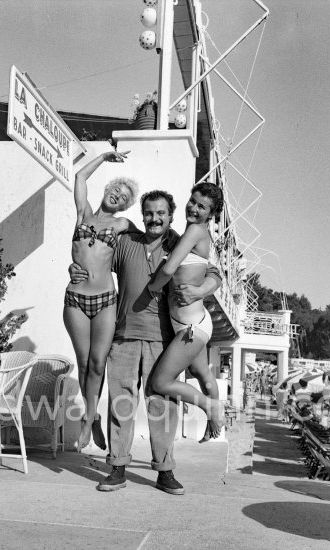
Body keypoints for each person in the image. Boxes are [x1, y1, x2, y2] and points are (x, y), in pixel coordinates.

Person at [69, 189, 221, 495]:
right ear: (143, 215)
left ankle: (165, 470)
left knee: (162, 405)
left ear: (170, 216)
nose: (154, 218)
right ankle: (117, 467)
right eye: (149, 213)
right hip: (123, 335)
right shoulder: (126, 242)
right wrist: (77, 270)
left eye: (161, 213)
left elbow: (215, 271)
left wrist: (200, 289)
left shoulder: (180, 241)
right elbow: (93, 258)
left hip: (164, 336)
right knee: (120, 403)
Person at [63, 150, 138, 451]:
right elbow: (80, 176)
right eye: (115, 191)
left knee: (98, 363)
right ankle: (92, 417)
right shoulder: (84, 213)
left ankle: (88, 418)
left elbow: (150, 239)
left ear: (124, 206)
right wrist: (105, 156)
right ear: (107, 190)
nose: (117, 197)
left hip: (106, 299)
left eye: (123, 198)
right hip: (75, 298)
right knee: (83, 364)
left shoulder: (121, 224)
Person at [147, 182, 225, 441]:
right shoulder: (193, 233)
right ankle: (213, 426)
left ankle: (210, 407)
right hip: (193, 323)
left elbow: (168, 271)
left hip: (191, 329)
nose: (193, 208)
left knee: (160, 382)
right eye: (192, 201)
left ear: (210, 214)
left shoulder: (195, 230)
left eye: (201, 206)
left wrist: (152, 289)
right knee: (203, 375)